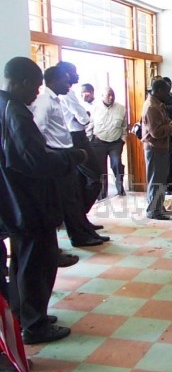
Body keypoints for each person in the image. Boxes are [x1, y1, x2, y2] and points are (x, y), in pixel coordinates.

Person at [1, 57, 87, 344]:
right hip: (30, 203)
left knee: (23, 264)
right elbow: (34, 161)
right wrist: (69, 158)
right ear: (23, 82)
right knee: (37, 264)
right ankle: (35, 325)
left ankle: (26, 315)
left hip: (14, 203)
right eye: (36, 86)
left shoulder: (5, 107)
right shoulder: (16, 112)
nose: (37, 93)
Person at [32, 66, 108, 248]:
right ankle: (78, 235)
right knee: (69, 196)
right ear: (53, 81)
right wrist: (49, 153)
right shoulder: (45, 101)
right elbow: (38, 129)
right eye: (65, 80)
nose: (68, 84)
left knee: (73, 193)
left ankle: (83, 228)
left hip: (66, 151)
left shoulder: (55, 100)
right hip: (57, 153)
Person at [56, 61, 103, 213]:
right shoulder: (67, 94)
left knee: (81, 179)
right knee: (95, 177)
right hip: (75, 137)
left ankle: (80, 217)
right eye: (73, 72)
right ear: (65, 75)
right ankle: (79, 215)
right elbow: (83, 118)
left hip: (75, 136)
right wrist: (85, 117)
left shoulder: (68, 92)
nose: (77, 75)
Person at [142, 79, 172, 220]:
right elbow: (156, 132)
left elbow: (165, 121)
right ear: (160, 91)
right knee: (156, 180)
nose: (169, 95)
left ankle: (159, 207)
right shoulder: (151, 107)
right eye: (167, 92)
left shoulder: (158, 104)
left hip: (162, 147)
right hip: (155, 148)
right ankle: (153, 210)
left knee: (161, 179)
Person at [88, 87, 127, 198]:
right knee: (101, 168)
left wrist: (123, 139)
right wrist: (89, 140)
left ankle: (120, 188)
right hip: (98, 142)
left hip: (115, 142)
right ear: (102, 96)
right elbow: (89, 125)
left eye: (113, 95)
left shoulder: (121, 108)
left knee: (117, 164)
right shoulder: (95, 108)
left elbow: (124, 126)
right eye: (108, 95)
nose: (111, 97)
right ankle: (102, 193)